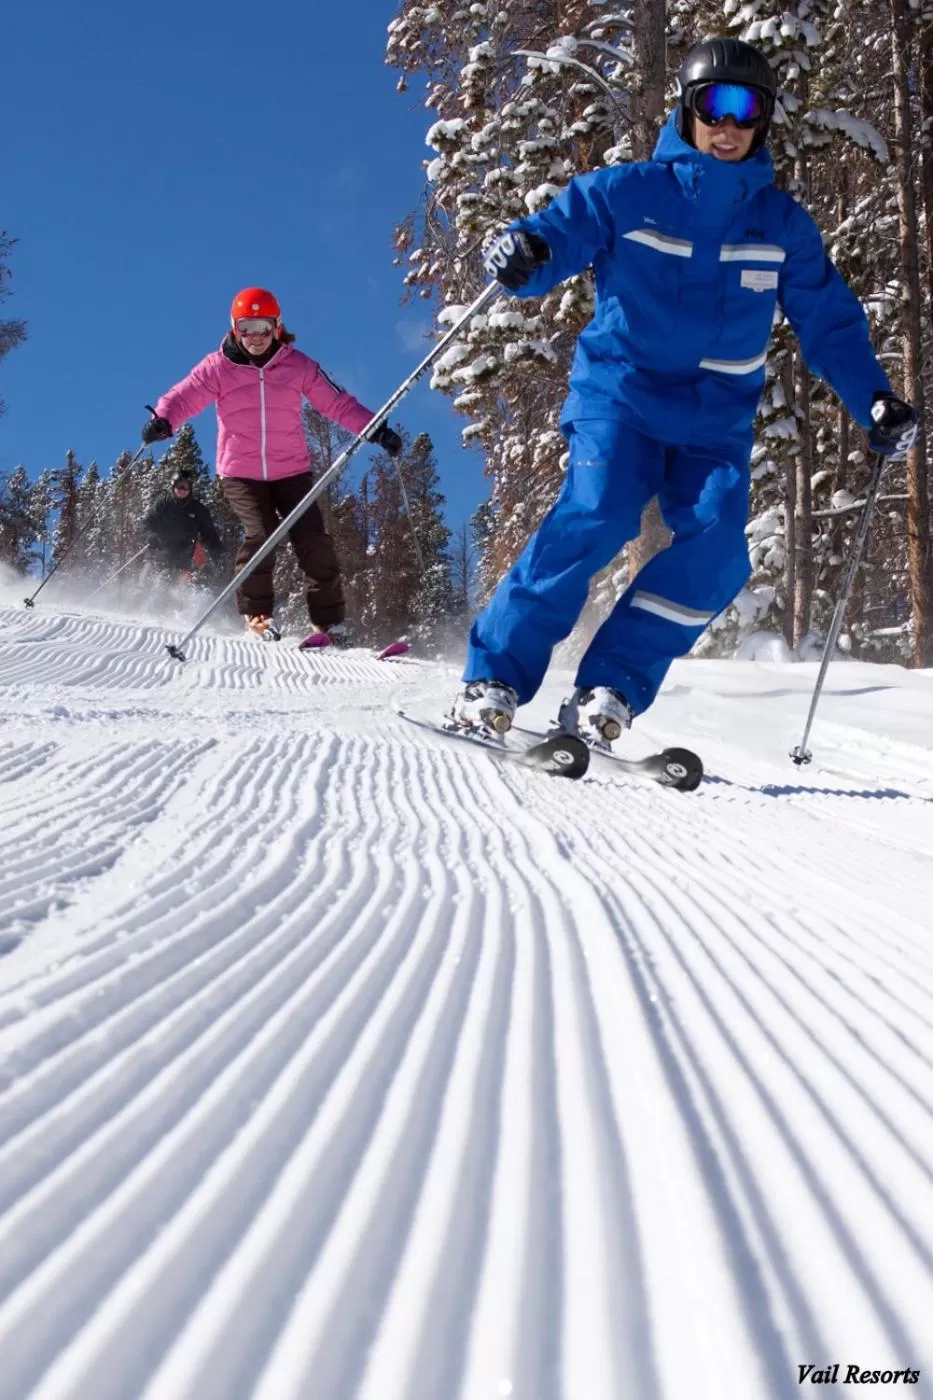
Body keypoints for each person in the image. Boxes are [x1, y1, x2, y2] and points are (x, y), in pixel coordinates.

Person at [453, 37, 919, 741]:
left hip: (714, 423)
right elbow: (557, 236)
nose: (727, 126)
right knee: (599, 510)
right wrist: (526, 251)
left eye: (745, 111)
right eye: (713, 106)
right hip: (621, 396)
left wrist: (873, 398)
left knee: (719, 556)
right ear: (688, 109)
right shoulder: (629, 191)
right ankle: (493, 675)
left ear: (761, 122)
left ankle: (608, 686)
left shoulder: (779, 224)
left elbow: (828, 322)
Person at [141, 287, 402, 638]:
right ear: (235, 328)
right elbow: (185, 395)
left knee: (313, 538)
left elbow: (337, 402)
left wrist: (376, 429)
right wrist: (164, 419)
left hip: (291, 469)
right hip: (240, 472)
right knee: (262, 534)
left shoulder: (298, 366)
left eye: (263, 327)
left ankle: (328, 622)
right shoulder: (218, 368)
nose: (255, 338)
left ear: (276, 327)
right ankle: (257, 614)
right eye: (246, 328)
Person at [141, 470, 223, 581]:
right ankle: (139, 593)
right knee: (148, 583)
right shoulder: (164, 503)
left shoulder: (197, 509)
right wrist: (150, 535)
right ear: (173, 485)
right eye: (179, 486)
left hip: (181, 559)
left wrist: (217, 554)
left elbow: (209, 535)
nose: (182, 490)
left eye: (185, 487)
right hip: (158, 553)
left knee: (171, 588)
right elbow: (147, 522)